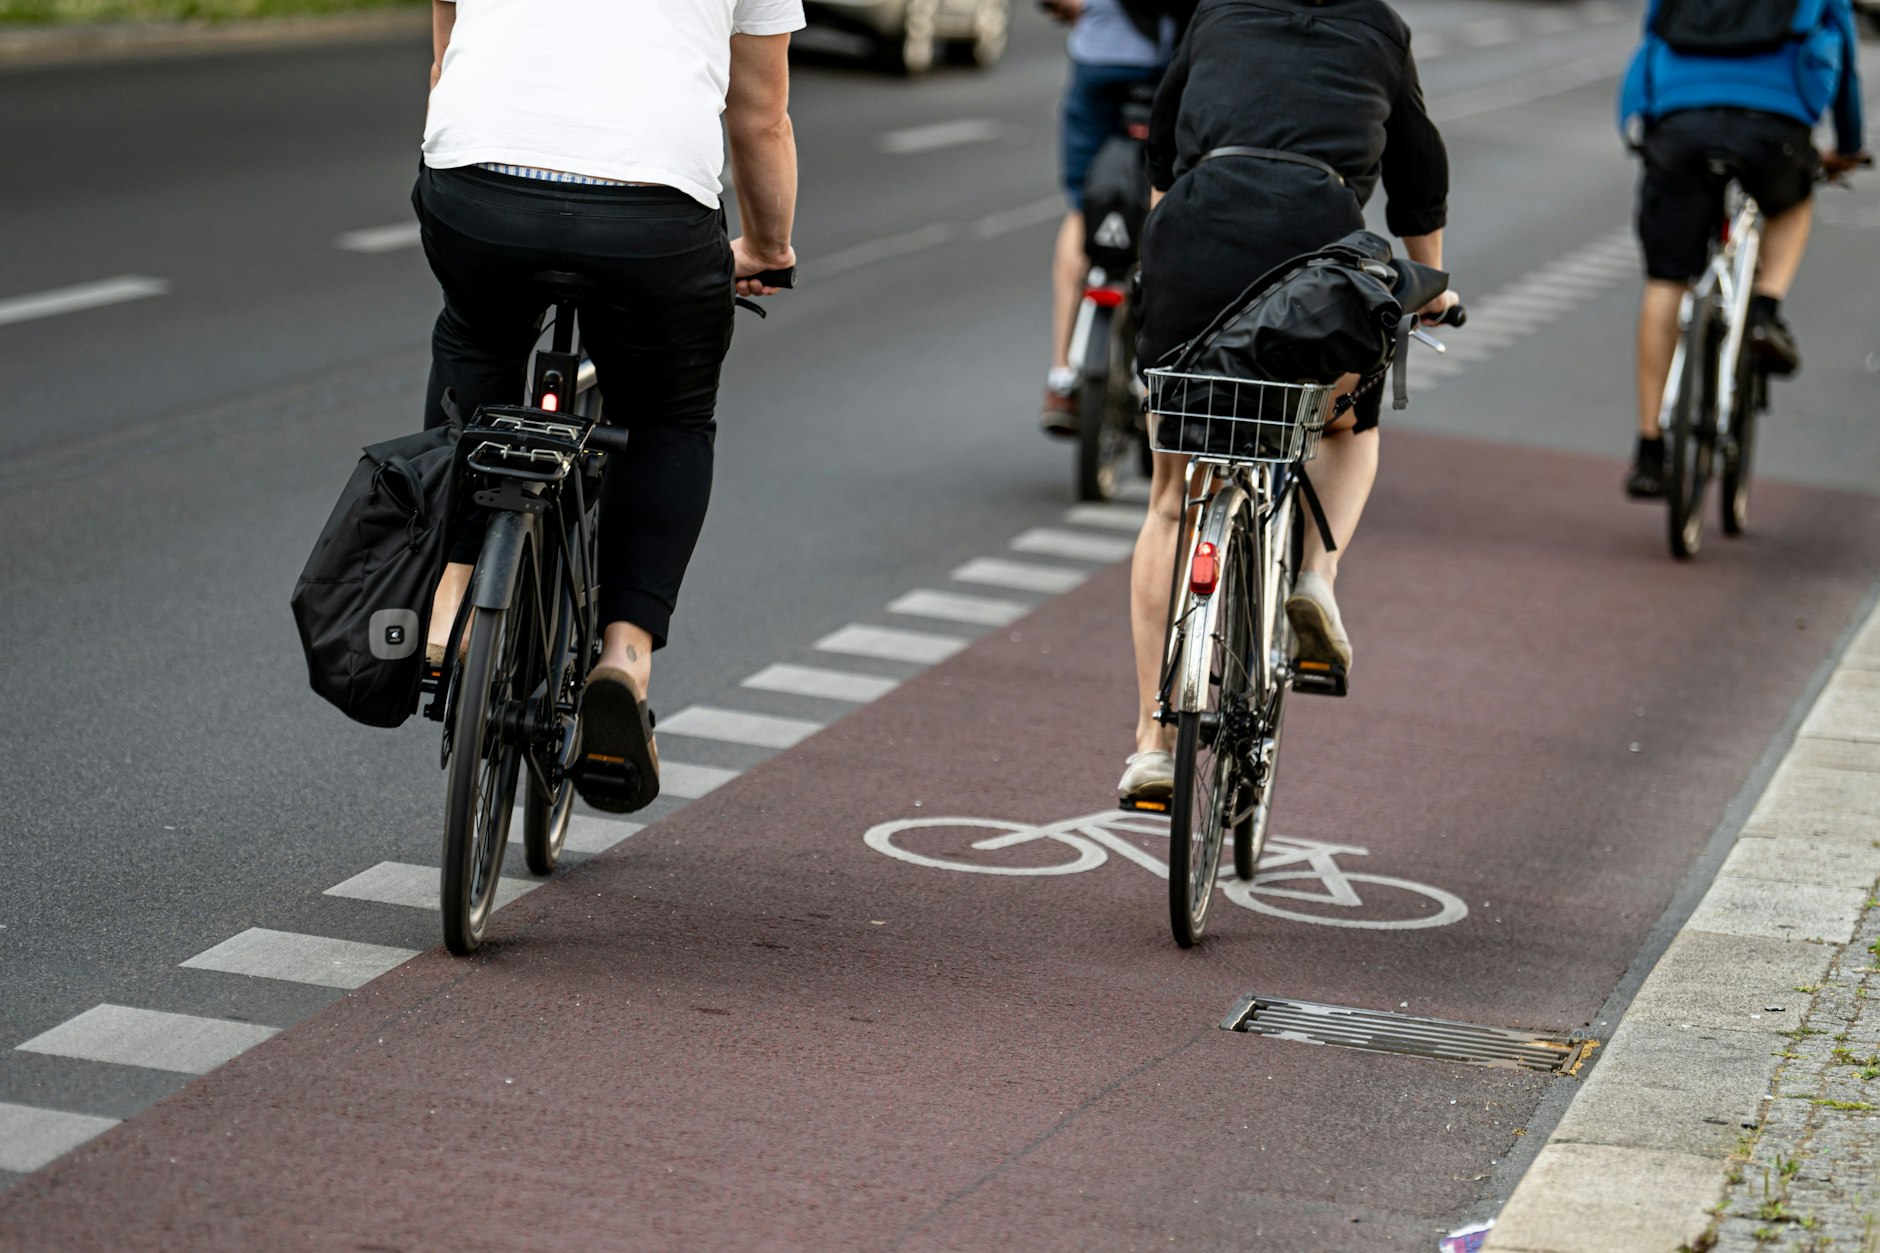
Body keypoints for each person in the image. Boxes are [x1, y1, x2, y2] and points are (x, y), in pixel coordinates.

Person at [417, 0, 801, 812]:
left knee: (477, 343)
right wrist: (768, 246)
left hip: (477, 191)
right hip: (650, 218)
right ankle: (623, 656)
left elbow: (447, 60)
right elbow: (760, 119)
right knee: (669, 412)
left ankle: (450, 597)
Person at [1118, 0, 1456, 802]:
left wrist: (1168, 248)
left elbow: (1163, 145)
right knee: (1344, 424)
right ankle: (1314, 577)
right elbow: (1419, 171)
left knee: (1172, 498)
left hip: (1194, 238)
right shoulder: (1378, 28)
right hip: (1314, 253)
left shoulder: (1215, 11)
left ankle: (1154, 743)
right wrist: (1429, 284)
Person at [1618, 0, 1866, 498]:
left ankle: (1650, 450)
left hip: (1678, 124)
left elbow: (1650, 42)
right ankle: (1765, 311)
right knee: (1792, 206)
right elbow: (1846, 67)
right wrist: (1849, 146)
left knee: (1667, 281)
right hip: (1775, 128)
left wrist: (1640, 127)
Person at [1038, 0, 1171, 436]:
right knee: (1168, 205)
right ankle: (1161, 376)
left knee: (1083, 209)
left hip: (1099, 62)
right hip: (1171, 66)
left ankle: (1062, 376)